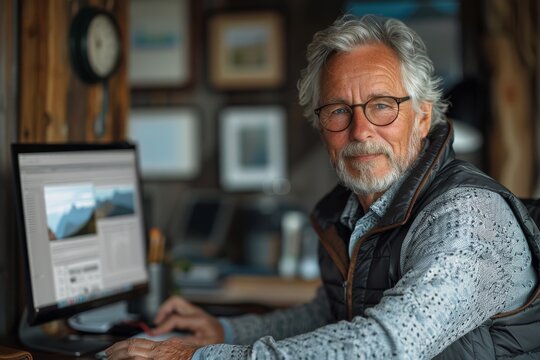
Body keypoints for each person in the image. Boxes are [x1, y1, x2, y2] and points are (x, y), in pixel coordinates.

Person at [106, 14, 540, 359]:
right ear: (320, 124)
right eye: (338, 111)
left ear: (423, 117)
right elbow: (331, 312)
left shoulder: (467, 215)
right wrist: (226, 330)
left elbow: (386, 346)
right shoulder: (349, 211)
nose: (360, 130)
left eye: (382, 106)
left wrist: (197, 358)